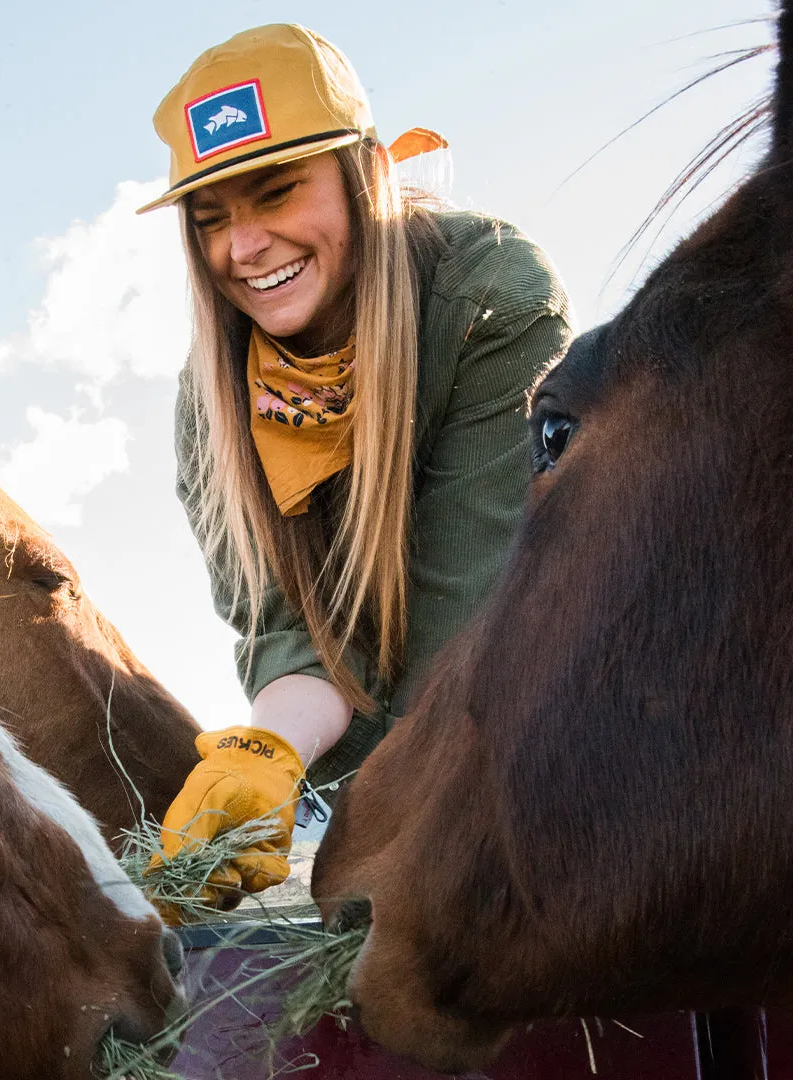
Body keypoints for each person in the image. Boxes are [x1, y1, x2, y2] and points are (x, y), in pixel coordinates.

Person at [138, 23, 573, 910]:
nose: (245, 246)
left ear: (364, 171)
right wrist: (268, 755)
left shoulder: (492, 298)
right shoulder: (208, 409)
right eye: (211, 217)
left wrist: (397, 859)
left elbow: (468, 621)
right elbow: (291, 639)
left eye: (275, 192)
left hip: (531, 742)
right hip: (366, 788)